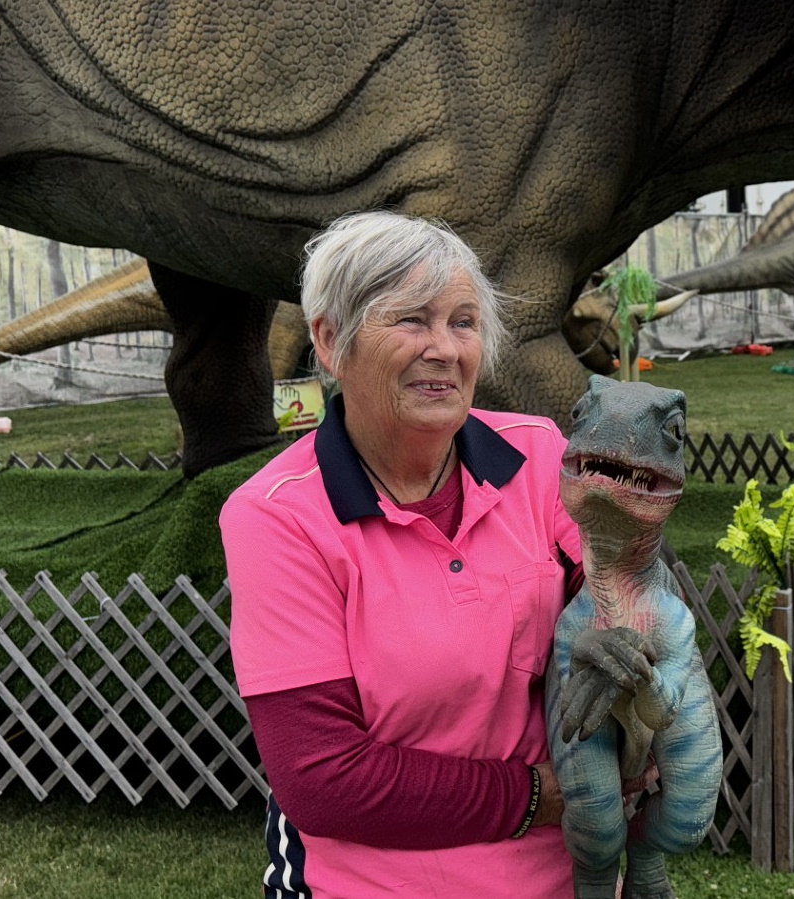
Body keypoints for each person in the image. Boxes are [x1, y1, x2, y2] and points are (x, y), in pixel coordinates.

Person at [221, 212, 584, 898]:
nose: (444, 348)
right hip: (366, 881)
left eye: (464, 322)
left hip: (562, 876)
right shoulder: (279, 515)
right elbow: (324, 779)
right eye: (412, 320)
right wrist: (541, 793)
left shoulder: (539, 457)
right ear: (330, 341)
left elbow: (624, 607)